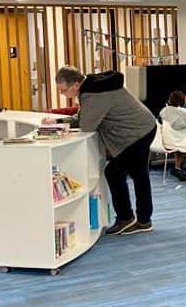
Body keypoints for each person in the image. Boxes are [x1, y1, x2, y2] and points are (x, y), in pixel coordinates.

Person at [48, 66, 157, 235]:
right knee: (139, 174)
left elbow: (87, 125)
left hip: (135, 134)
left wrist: (63, 122)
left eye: (63, 90)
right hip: (145, 126)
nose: (63, 94)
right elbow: (85, 116)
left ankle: (126, 218)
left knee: (114, 172)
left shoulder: (93, 94)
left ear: (76, 84)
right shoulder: (96, 87)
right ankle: (144, 220)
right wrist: (61, 120)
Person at [159, 90, 186, 181]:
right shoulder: (185, 112)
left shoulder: (164, 110)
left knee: (181, 141)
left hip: (167, 142)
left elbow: (160, 122)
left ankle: (177, 168)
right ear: (182, 100)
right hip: (182, 144)